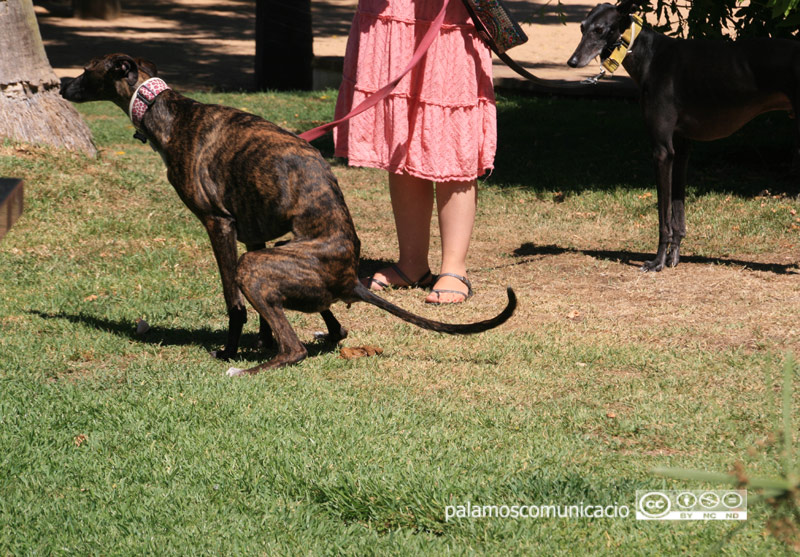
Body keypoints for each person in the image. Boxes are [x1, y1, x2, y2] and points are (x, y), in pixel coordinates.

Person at [333, 0, 496, 304]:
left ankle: (454, 269)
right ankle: (411, 265)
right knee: (402, 132)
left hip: (449, 12)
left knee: (450, 131)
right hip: (391, 10)